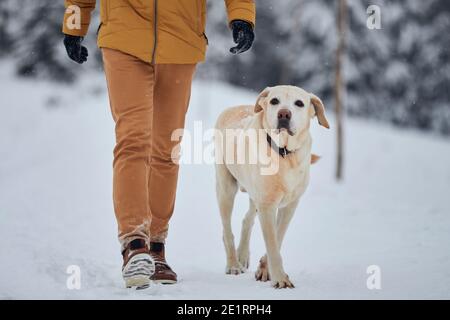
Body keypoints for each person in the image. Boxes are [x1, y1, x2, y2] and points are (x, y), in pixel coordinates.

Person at [62, 0, 256, 289]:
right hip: (124, 36)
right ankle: (134, 243)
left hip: (181, 39)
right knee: (132, 140)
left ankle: (156, 245)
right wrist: (75, 24)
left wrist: (242, 17)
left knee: (167, 149)